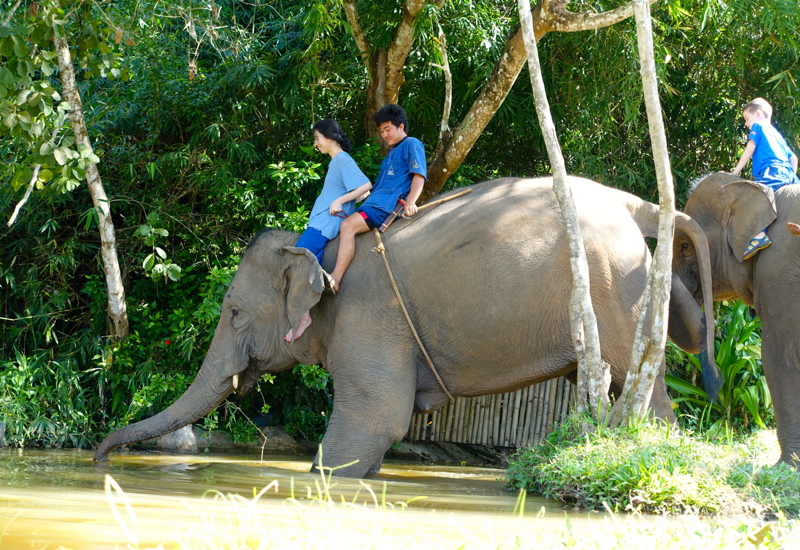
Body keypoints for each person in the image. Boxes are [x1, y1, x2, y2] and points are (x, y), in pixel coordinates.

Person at [288, 119, 372, 341]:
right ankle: (306, 313)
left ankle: (304, 317)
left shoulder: (342, 160)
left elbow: (366, 185)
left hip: (323, 225)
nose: (315, 143)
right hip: (320, 223)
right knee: (306, 265)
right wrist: (353, 197)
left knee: (298, 258)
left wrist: (341, 200)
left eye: (317, 138)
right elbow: (362, 191)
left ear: (330, 137)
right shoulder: (337, 162)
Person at [329, 104, 427, 291]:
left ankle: (336, 278)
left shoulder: (412, 144)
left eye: (387, 129)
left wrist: (411, 201)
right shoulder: (389, 156)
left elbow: (419, 175)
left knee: (347, 226)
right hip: (374, 203)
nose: (384, 135)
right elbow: (376, 189)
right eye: (381, 131)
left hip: (385, 206)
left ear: (401, 127)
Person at [731, 97, 799, 259]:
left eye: (747, 118)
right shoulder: (777, 134)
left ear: (758, 114)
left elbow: (749, 149)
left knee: (758, 197)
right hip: (789, 173)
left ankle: (759, 234)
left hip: (771, 170)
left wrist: (734, 174)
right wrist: (790, 178)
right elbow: (794, 158)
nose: (747, 123)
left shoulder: (758, 125)